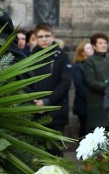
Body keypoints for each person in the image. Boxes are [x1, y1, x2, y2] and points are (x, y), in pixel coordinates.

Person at [31, 23, 72, 151]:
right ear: (36, 38)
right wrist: (33, 103)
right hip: (35, 112)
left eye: (47, 36)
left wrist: (47, 102)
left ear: (53, 37)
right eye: (40, 36)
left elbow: (65, 83)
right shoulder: (31, 57)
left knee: (55, 152)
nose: (44, 39)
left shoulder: (62, 57)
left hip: (56, 113)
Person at [83, 32, 109, 130]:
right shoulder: (90, 61)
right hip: (96, 104)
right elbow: (91, 82)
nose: (104, 45)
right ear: (94, 46)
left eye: (105, 43)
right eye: (100, 43)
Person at [71, 39, 94, 137]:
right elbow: (79, 86)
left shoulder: (93, 64)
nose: (92, 49)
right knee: (84, 129)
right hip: (84, 104)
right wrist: (91, 99)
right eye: (89, 48)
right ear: (82, 52)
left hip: (93, 105)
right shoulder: (78, 67)